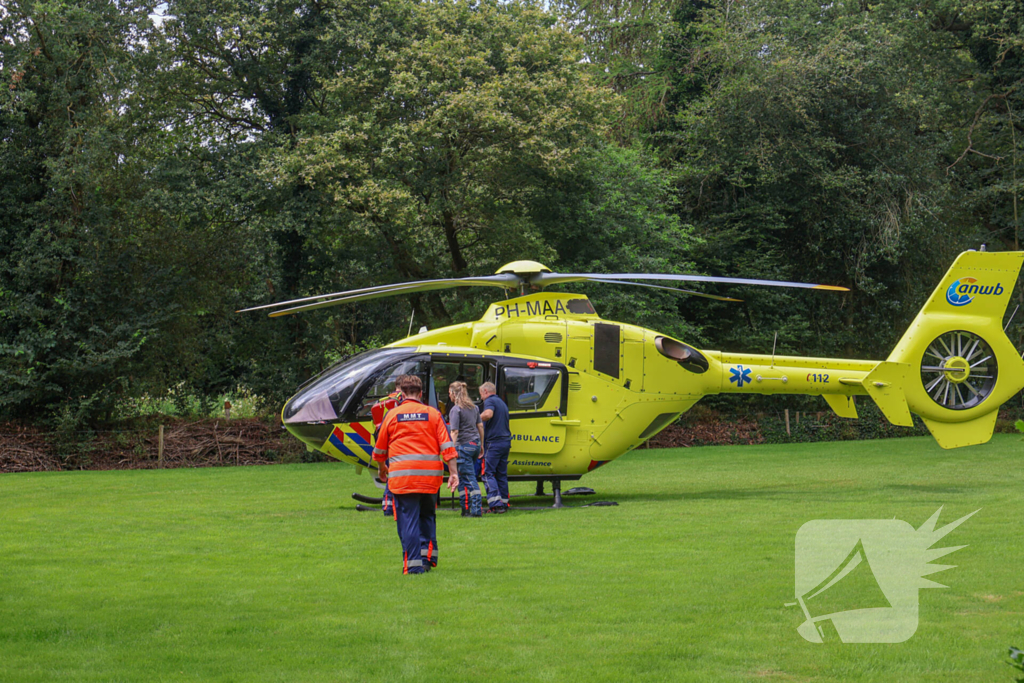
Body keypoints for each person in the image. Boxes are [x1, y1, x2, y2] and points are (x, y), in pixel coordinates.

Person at [373, 374, 458, 574]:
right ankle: (427, 559)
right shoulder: (433, 414)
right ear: (420, 393)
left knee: (408, 520)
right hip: (429, 479)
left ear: (401, 394)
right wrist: (453, 473)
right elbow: (447, 447)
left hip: (402, 478)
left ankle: (413, 566)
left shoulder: (392, 415)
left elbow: (379, 451)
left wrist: (382, 469)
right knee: (427, 516)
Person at [447, 381, 484, 517]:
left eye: (449, 393)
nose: (449, 395)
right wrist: (481, 445)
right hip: (474, 445)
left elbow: (455, 431)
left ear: (453, 394)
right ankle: (465, 509)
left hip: (462, 446)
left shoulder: (456, 410)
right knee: (462, 478)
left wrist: (450, 449)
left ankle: (475, 510)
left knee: (468, 478)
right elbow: (480, 426)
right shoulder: (474, 408)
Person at [479, 381, 511, 513]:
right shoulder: (502, 403)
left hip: (494, 443)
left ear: (486, 392)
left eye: (481, 394)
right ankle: (504, 503)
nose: (480, 397)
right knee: (501, 474)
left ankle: (495, 505)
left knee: (488, 473)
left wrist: (474, 419)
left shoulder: (490, 401)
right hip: (505, 442)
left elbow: (488, 414)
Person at [370, 389, 403, 517]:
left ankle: (388, 506)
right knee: (393, 480)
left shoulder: (389, 407)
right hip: (396, 450)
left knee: (392, 478)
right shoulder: (398, 409)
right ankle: (389, 507)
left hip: (390, 449)